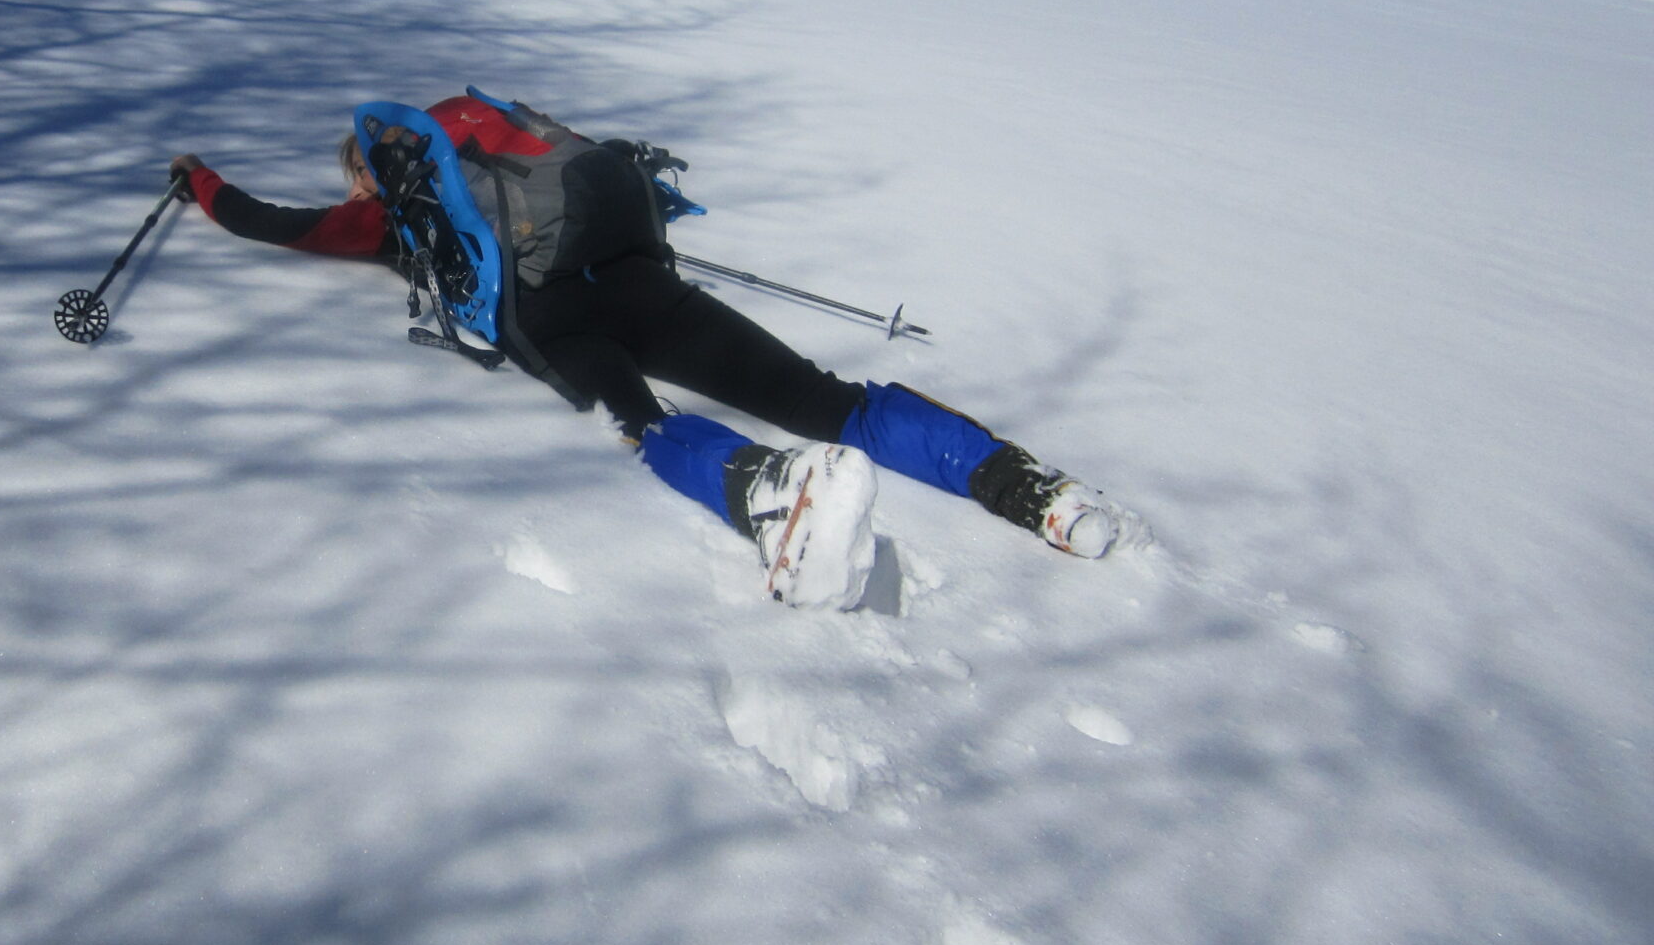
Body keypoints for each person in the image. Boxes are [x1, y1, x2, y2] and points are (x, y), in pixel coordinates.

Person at [169, 93, 1121, 607]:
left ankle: (776, 502)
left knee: (642, 425)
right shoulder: (515, 149)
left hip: (551, 320)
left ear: (378, 179)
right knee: (825, 397)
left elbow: (269, 223)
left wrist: (197, 179)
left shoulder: (388, 220)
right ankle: (1020, 483)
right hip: (639, 277)